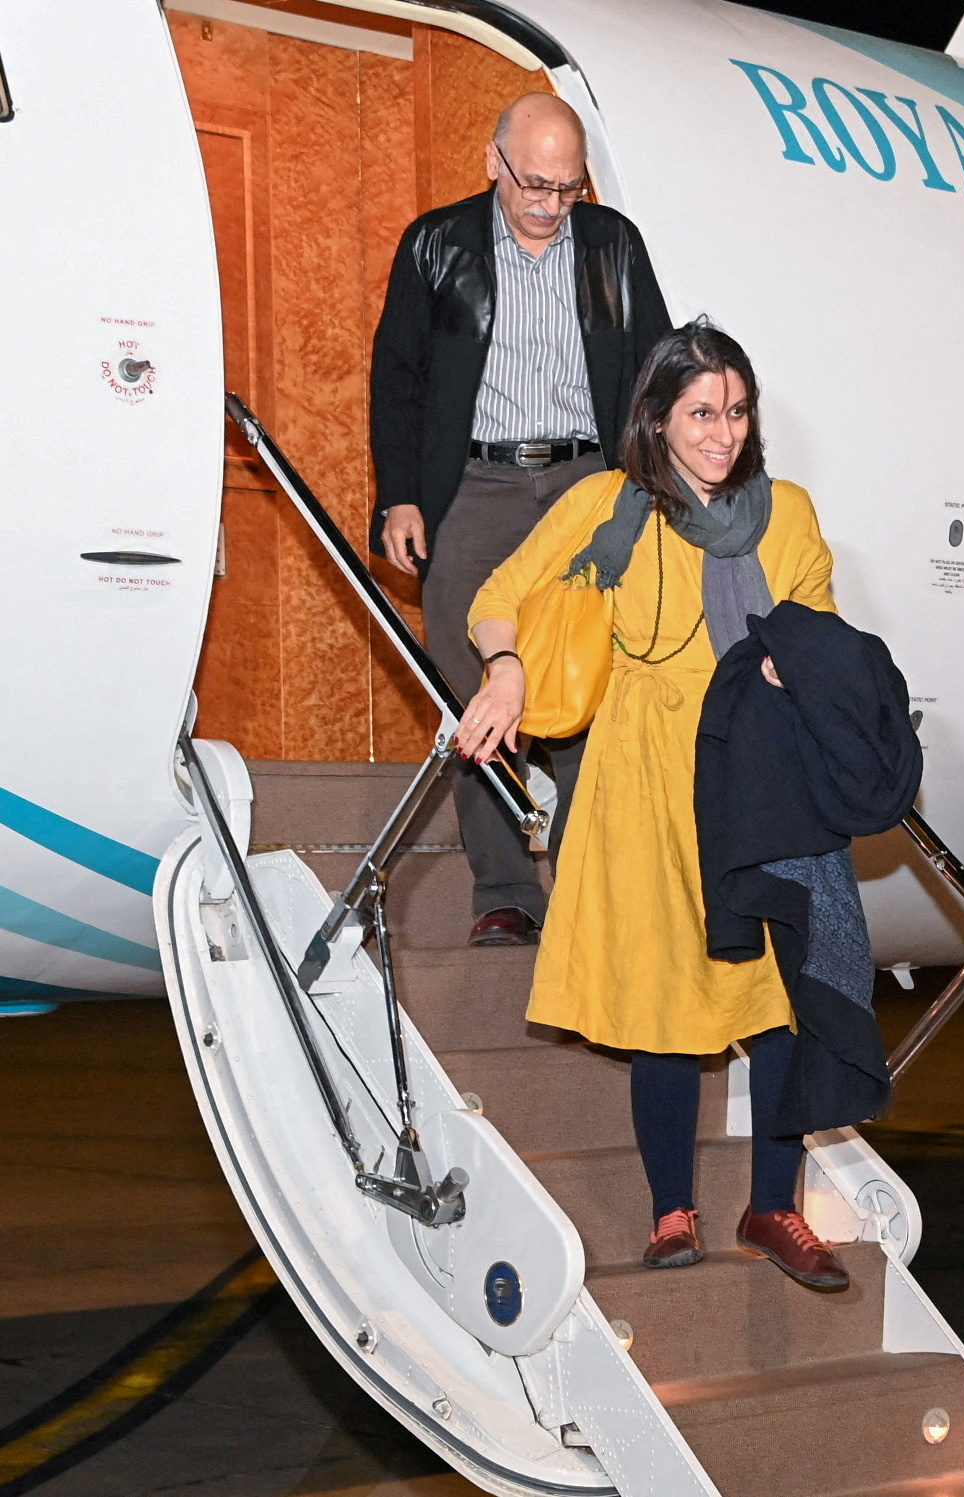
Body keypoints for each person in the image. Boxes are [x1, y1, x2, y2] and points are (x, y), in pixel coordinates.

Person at [455, 322, 851, 1290]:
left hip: (759, 777)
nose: (722, 433)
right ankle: (672, 1211)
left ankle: (772, 1206)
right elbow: (497, 596)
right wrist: (505, 668)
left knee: (785, 1004)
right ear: (659, 420)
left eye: (736, 411)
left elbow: (825, 634)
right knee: (664, 1004)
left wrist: (802, 678)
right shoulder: (610, 505)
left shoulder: (787, 514)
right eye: (700, 414)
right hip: (645, 779)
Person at [370, 92, 671, 946]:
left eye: (567, 188)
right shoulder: (436, 243)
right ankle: (505, 890)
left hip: (585, 482)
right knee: (472, 688)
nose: (548, 205)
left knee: (588, 682)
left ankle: (581, 883)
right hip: (473, 484)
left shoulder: (613, 246)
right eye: (534, 183)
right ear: (493, 161)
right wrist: (402, 494)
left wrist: (649, 496)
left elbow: (655, 372)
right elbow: (397, 376)